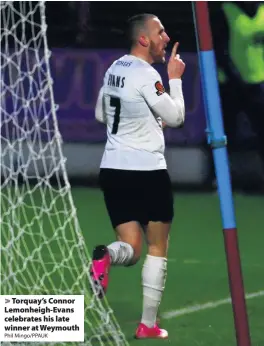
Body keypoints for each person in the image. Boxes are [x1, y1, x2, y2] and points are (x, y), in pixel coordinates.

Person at [90, 13, 185, 339]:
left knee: (129, 248)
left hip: (113, 169)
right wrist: (175, 78)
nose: (165, 36)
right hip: (147, 172)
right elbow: (176, 117)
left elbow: (101, 113)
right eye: (160, 31)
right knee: (157, 246)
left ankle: (105, 256)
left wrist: (139, 119)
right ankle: (147, 325)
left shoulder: (115, 67)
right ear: (143, 39)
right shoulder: (149, 75)